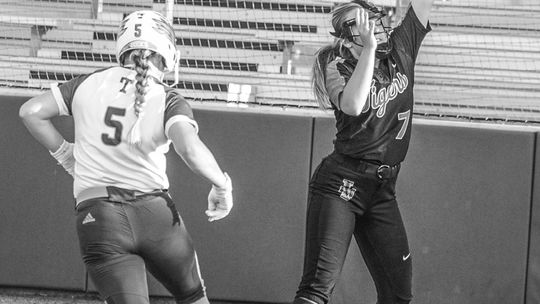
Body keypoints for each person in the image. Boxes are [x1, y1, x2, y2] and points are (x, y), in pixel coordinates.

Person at [19, 10, 233, 304]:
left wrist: (67, 156)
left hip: (99, 217)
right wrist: (222, 184)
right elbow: (190, 149)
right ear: (167, 52)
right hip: (155, 214)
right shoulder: (166, 98)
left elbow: (30, 112)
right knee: (194, 299)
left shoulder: (86, 84)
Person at [293, 0, 433, 303]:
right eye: (364, 22)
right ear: (347, 34)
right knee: (317, 290)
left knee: (398, 293)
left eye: (376, 20)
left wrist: (373, 46)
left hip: (382, 189)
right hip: (342, 185)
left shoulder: (400, 49)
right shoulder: (336, 64)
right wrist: (368, 50)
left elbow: (423, 5)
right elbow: (353, 105)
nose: (376, 27)